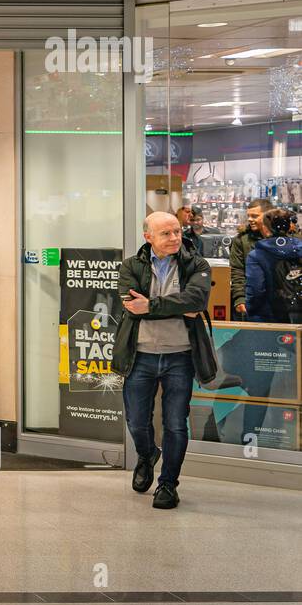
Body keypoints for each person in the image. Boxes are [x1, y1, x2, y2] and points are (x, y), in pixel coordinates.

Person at [112, 211, 216, 512]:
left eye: (177, 231)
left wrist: (152, 305)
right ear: (148, 237)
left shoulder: (196, 264)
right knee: (136, 421)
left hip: (180, 356)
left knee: (175, 424)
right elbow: (133, 308)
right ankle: (146, 456)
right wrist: (176, 305)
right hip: (140, 355)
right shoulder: (131, 266)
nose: (174, 238)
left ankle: (168, 484)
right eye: (165, 233)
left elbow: (196, 302)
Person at [245, 208, 302, 323]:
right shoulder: (299, 249)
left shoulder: (256, 255)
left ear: (265, 229)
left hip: (267, 316)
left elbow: (256, 290)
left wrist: (250, 310)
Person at [230, 198, 272, 320]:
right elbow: (237, 271)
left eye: (254, 216)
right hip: (251, 301)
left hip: (278, 303)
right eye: (248, 216)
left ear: (268, 216)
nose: (250, 219)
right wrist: (239, 298)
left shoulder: (282, 238)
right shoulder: (241, 240)